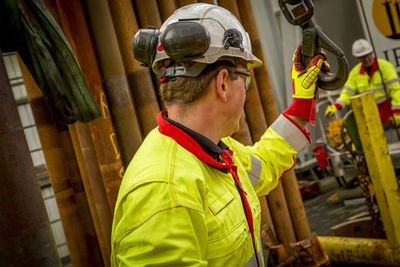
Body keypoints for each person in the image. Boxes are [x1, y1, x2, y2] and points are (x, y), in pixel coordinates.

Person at [111, 3, 326, 266]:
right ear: (223, 83)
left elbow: (263, 163)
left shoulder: (215, 151)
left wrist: (301, 106)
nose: (246, 90)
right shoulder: (164, 192)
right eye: (245, 78)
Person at [325, 39, 400, 126]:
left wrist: (397, 112)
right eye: (362, 57)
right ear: (357, 58)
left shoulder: (386, 67)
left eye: (367, 55)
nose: (366, 59)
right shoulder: (355, 73)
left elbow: (396, 91)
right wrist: (336, 106)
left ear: (371, 53)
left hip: (389, 112)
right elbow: (346, 94)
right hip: (371, 116)